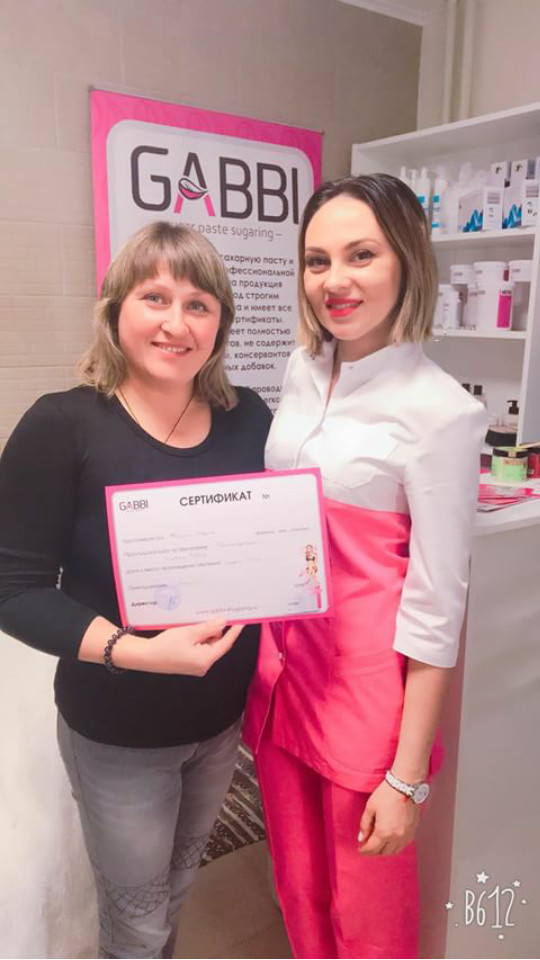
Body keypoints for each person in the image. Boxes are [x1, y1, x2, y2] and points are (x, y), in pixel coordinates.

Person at [0, 221, 272, 960]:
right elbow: (14, 590)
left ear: (219, 324)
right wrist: (140, 653)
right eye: (155, 297)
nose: (176, 323)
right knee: (137, 922)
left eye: (198, 304)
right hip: (118, 730)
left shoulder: (248, 418)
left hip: (220, 721)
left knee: (176, 889)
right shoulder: (62, 426)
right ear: (116, 307)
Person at [244, 174, 487, 960]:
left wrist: (407, 776)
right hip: (283, 680)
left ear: (407, 261)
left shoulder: (442, 412)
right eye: (317, 260)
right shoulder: (302, 370)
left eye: (360, 255)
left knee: (368, 921)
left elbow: (437, 607)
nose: (334, 281)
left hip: (366, 707)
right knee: (298, 890)